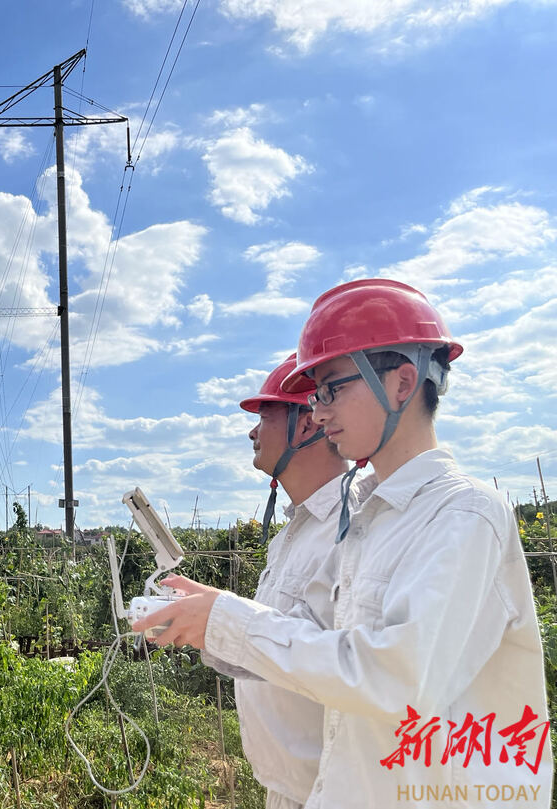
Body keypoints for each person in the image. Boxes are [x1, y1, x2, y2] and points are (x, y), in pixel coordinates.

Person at [136, 279, 552, 808]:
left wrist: (227, 620)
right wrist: (213, 620)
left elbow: (398, 679)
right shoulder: (365, 522)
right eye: (314, 395)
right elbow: (329, 671)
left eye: (332, 388)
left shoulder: (464, 514)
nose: (320, 410)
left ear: (403, 383)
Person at [188, 354, 349, 809]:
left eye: (265, 416)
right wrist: (203, 623)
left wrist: (218, 615)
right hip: (287, 790)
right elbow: (277, 650)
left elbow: (338, 664)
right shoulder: (293, 536)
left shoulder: (352, 529)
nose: (252, 432)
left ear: (306, 424)